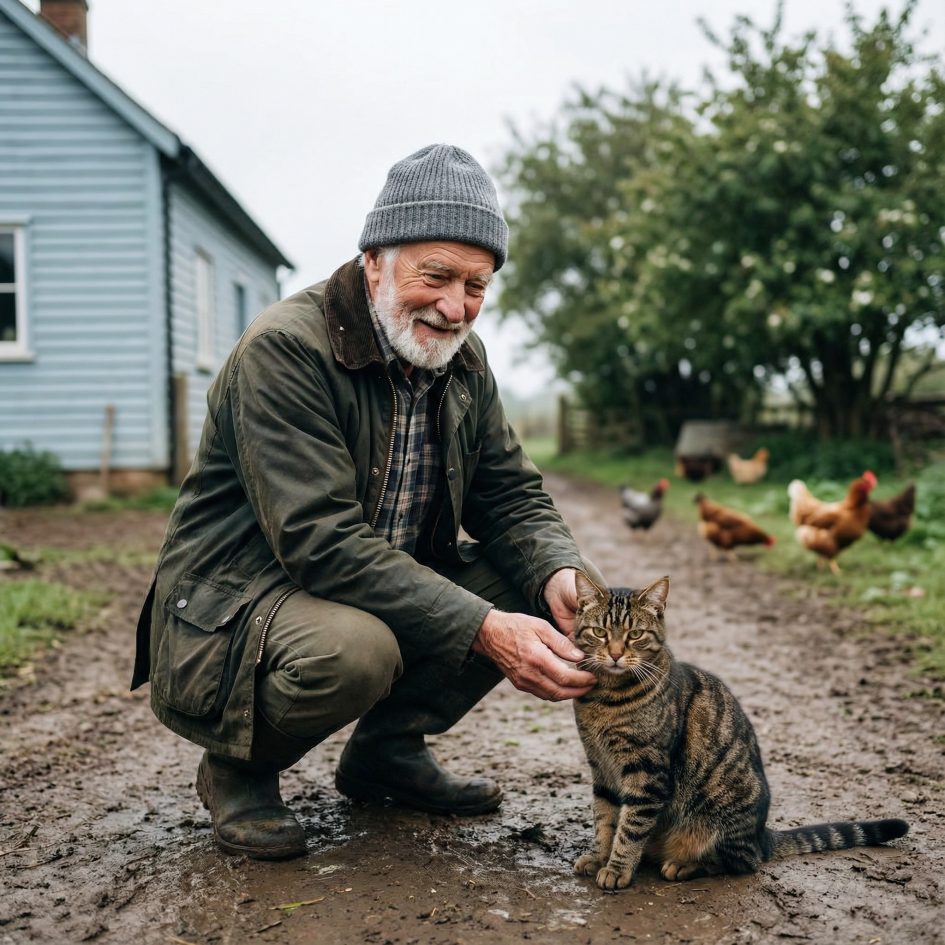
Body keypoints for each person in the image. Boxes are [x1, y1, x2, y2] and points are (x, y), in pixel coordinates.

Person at [131, 143, 601, 861]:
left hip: (360, 586)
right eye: (436, 275)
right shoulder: (285, 351)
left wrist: (562, 574)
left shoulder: (462, 363)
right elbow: (321, 542)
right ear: (375, 259)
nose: (455, 307)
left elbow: (510, 492)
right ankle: (238, 768)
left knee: (531, 584)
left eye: (476, 286)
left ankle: (385, 754)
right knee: (356, 651)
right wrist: (482, 627)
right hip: (241, 604)